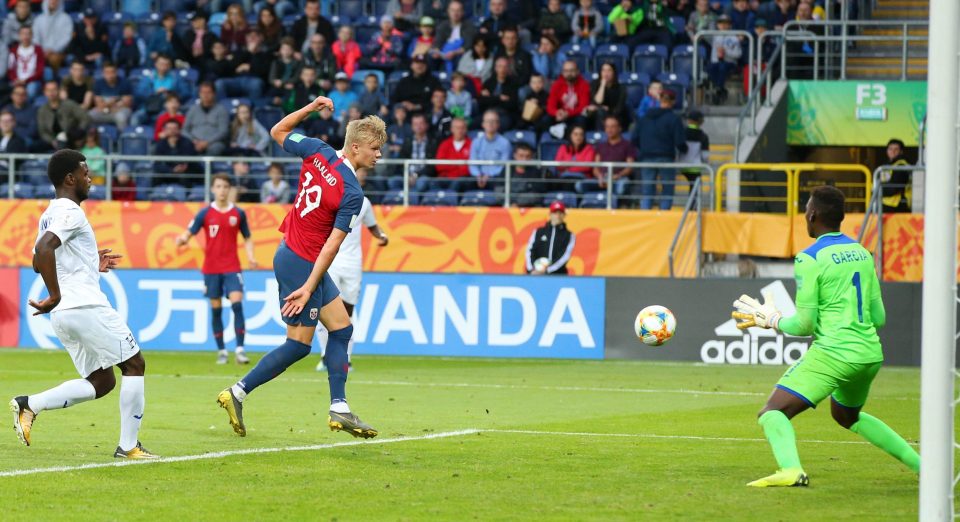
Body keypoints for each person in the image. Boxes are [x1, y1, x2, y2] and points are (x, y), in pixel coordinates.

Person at [216, 96, 386, 440]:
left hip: (292, 253)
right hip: (301, 261)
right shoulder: (352, 192)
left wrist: (310, 107)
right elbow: (332, 244)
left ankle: (339, 408)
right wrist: (309, 285)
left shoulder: (318, 150)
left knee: (341, 329)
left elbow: (278, 130)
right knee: (298, 344)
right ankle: (236, 392)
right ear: (355, 147)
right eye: (374, 148)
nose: (378, 154)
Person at [731, 185, 920, 487]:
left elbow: (803, 326)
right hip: (870, 354)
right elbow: (880, 318)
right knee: (847, 416)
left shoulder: (810, 258)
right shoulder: (862, 253)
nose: (805, 213)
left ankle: (791, 470)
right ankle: (923, 466)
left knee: (772, 412)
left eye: (806, 208)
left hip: (834, 354)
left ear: (813, 214)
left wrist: (772, 319)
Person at [10, 149, 157, 459]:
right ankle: (128, 446)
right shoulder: (70, 211)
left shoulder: (49, 213)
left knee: (102, 381)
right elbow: (43, 248)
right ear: (70, 178)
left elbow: (39, 261)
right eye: (86, 173)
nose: (90, 179)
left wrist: (90, 261)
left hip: (66, 315)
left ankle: (30, 404)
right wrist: (56, 294)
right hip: (83, 306)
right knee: (135, 363)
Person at [176, 174, 257, 365]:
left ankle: (240, 350)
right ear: (213, 189)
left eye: (225, 187)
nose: (222, 190)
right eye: (218, 186)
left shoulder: (238, 213)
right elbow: (189, 232)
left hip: (232, 266)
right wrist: (182, 239)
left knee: (237, 304)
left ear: (229, 190)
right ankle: (222, 350)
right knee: (216, 310)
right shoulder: (205, 213)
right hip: (211, 268)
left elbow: (247, 237)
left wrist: (251, 257)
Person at [316, 169, 389, 372]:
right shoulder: (331, 198)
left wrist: (382, 236)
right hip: (330, 260)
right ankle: (324, 356)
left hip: (353, 263)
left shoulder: (364, 202)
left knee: (348, 311)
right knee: (325, 308)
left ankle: (345, 358)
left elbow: (373, 226)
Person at [635, 90, 687, 210]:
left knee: (647, 190)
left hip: (647, 157)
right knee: (667, 189)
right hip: (666, 157)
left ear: (659, 100)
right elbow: (680, 142)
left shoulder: (644, 118)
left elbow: (634, 138)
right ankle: (664, 215)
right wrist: (685, 150)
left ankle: (646, 216)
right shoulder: (674, 119)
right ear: (673, 102)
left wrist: (644, 149)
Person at [463, 110, 511, 192]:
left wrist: (488, 175)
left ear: (498, 124)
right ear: (483, 124)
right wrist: (478, 175)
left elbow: (503, 166)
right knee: (462, 182)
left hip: (496, 177)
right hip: (478, 177)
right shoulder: (476, 142)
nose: (490, 124)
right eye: (488, 121)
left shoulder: (505, 143)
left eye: (493, 121)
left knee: (499, 185)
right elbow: (472, 163)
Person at [37, 80, 90, 152]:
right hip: (52, 141)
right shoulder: (42, 110)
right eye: (49, 90)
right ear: (45, 92)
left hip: (71, 139)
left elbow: (85, 118)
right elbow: (43, 132)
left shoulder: (69, 104)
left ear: (59, 91)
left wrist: (78, 132)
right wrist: (52, 141)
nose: (51, 93)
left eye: (54, 90)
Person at [525, 200, 575, 275]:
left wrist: (548, 270)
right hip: (536, 274)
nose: (557, 215)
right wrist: (532, 269)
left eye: (560, 213)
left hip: (558, 275)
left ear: (564, 215)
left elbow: (564, 256)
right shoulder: (538, 232)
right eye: (555, 212)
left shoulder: (569, 235)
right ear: (550, 214)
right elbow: (530, 250)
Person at [183, 82, 230, 157]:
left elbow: (224, 131)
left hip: (214, 142)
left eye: (208, 92)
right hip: (194, 142)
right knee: (185, 146)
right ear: (199, 94)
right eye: (203, 92)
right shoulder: (193, 109)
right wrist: (194, 141)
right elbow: (184, 130)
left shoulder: (221, 110)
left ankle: (206, 168)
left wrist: (207, 142)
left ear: (214, 94)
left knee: (216, 148)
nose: (205, 95)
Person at [433, 0, 477, 74]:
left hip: (461, 56)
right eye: (452, 10)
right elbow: (438, 42)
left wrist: (455, 53)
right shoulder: (442, 26)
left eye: (458, 11)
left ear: (463, 12)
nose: (455, 13)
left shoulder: (469, 26)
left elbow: (468, 45)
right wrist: (437, 51)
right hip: (444, 56)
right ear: (448, 11)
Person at [707, 15, 742, 104]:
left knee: (722, 67)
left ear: (730, 25)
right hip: (716, 62)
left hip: (730, 63)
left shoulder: (734, 37)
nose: (723, 25)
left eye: (726, 23)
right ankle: (720, 89)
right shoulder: (714, 36)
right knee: (710, 67)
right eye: (721, 23)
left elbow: (738, 54)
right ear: (718, 25)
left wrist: (726, 53)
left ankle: (718, 89)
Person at [546, 60, 590, 130]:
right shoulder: (556, 85)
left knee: (582, 120)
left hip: (575, 115)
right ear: (562, 72)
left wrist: (568, 113)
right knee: (545, 120)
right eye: (566, 71)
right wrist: (557, 112)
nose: (569, 73)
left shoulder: (584, 85)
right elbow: (550, 106)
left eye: (572, 70)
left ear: (577, 71)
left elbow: (583, 106)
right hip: (560, 115)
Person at [153, 119, 199, 187]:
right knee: (155, 176)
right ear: (164, 130)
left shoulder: (187, 142)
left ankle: (188, 196)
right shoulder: (160, 144)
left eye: (174, 128)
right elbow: (157, 164)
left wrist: (174, 147)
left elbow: (189, 161)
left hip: (184, 172)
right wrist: (171, 170)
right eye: (169, 128)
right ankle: (153, 196)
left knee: (185, 176)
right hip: (167, 172)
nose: (172, 131)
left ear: (179, 130)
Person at [89, 62, 133, 129]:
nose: (110, 75)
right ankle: (93, 137)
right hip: (104, 111)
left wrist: (108, 105)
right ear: (103, 73)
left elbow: (127, 104)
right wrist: (113, 102)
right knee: (90, 115)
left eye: (112, 72)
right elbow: (99, 105)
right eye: (107, 72)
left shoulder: (124, 83)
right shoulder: (98, 84)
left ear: (116, 72)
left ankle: (120, 137)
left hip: (119, 111)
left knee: (121, 117)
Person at [32, 0, 72, 73]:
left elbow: (66, 38)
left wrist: (53, 50)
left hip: (58, 52)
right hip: (41, 51)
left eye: (56, 1)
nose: (53, 2)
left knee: (54, 59)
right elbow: (35, 38)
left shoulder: (66, 18)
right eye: (51, 1)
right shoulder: (38, 19)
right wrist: (42, 51)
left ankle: (53, 80)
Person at [433, 117, 472, 189]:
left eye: (462, 128)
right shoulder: (444, 144)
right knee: (432, 183)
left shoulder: (471, 144)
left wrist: (450, 164)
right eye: (457, 128)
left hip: (463, 180)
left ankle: (448, 198)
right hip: (445, 178)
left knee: (458, 182)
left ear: (466, 129)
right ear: (452, 129)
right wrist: (459, 164)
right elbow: (439, 166)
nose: (460, 130)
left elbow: (470, 168)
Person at [585, 62, 627, 129]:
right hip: (597, 115)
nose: (606, 73)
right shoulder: (594, 84)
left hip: (614, 115)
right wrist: (602, 85)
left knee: (601, 112)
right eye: (603, 70)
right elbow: (597, 102)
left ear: (614, 73)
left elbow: (619, 108)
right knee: (598, 112)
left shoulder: (621, 88)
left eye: (609, 70)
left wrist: (608, 109)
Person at [678, 109, 709, 197]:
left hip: (681, 165)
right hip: (695, 167)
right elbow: (705, 155)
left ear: (688, 120)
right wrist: (705, 163)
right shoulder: (703, 136)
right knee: (695, 190)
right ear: (701, 122)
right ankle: (693, 208)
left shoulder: (682, 133)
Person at [7, 26, 44, 99]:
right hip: (17, 80)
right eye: (23, 34)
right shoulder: (13, 50)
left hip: (33, 81)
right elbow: (10, 68)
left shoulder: (38, 49)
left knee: (31, 91)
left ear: (32, 35)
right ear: (19, 35)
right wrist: (15, 79)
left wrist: (27, 80)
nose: (26, 36)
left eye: (28, 34)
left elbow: (40, 70)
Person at [881, 138, 911, 213]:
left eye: (896, 149)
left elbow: (894, 188)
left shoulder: (901, 165)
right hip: (886, 203)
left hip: (897, 205)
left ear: (901, 152)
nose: (893, 152)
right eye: (890, 149)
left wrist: (878, 190)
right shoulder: (888, 165)